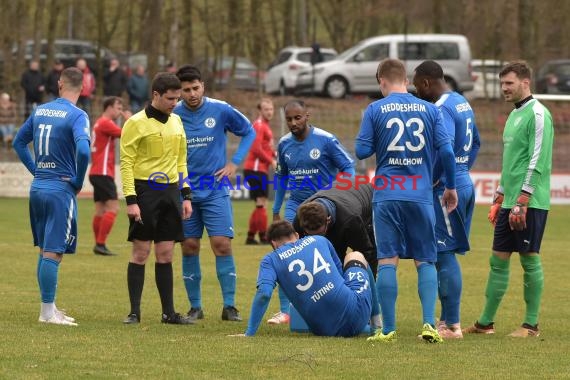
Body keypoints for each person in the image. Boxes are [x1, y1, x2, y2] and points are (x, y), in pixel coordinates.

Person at [356, 58, 458, 343]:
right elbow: (447, 153)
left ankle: (388, 330)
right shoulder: (429, 109)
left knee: (387, 259)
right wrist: (450, 187)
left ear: (382, 80)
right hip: (421, 194)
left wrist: (381, 138)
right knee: (426, 259)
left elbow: (362, 150)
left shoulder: (375, 109)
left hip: (388, 194)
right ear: (406, 80)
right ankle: (428, 325)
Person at [463, 61, 553, 338]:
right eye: (502, 84)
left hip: (530, 202)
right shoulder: (513, 115)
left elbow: (537, 161)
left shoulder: (538, 114)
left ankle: (531, 325)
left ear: (525, 83)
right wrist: (500, 196)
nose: (504, 88)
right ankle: (485, 323)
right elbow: (510, 162)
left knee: (529, 259)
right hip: (510, 201)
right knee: (497, 260)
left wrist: (523, 199)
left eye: (509, 83)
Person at [174, 65, 255, 322]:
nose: (191, 94)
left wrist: (235, 163)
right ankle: (195, 307)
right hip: (185, 191)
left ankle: (229, 306)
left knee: (221, 244)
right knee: (189, 246)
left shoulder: (220, 109)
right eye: (186, 90)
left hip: (215, 190)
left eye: (195, 88)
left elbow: (249, 131)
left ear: (203, 86)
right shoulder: (173, 115)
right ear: (180, 92)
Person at [13, 67, 91, 326]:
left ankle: (50, 307)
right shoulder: (78, 115)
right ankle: (46, 313)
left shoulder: (40, 110)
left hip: (38, 188)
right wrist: (78, 181)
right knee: (53, 252)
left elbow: (18, 143)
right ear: (83, 88)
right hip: (60, 189)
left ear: (59, 84)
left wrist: (36, 169)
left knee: (45, 249)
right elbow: (83, 151)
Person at [270, 99, 355, 325]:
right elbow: (281, 177)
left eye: (297, 117)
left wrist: (336, 192)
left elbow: (349, 168)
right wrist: (276, 209)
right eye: (289, 119)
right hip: (294, 204)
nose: (293, 122)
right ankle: (285, 311)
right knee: (285, 255)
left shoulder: (326, 140)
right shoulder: (284, 144)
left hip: (322, 206)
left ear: (307, 115)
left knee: (329, 255)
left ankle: (335, 303)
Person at [412, 60, 481, 339]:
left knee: (443, 253)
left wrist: (443, 180)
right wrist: (462, 171)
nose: (417, 93)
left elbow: (446, 151)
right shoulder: (461, 101)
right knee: (446, 252)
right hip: (464, 183)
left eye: (418, 87)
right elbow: (476, 142)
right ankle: (446, 319)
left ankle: (451, 325)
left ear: (427, 83)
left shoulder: (440, 109)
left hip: (448, 192)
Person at [120, 72, 193, 325]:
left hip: (171, 192)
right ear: (156, 95)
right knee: (141, 252)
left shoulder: (177, 122)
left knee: (166, 254)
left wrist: (185, 195)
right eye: (171, 98)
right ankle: (134, 312)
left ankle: (168, 313)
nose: (175, 103)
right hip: (145, 192)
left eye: (177, 98)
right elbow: (126, 163)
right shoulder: (135, 123)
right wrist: (131, 199)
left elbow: (181, 160)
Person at [239, 220, 372, 337]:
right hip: (358, 314)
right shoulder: (320, 240)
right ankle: (376, 323)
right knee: (355, 255)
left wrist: (249, 333)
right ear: (296, 235)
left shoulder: (271, 260)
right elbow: (340, 274)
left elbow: (264, 293)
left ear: (274, 244)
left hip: (325, 330)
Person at [293, 182, 382, 330]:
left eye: (320, 235)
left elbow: (368, 254)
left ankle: (368, 312)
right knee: (333, 256)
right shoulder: (299, 219)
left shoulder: (351, 220)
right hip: (341, 198)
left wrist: (366, 292)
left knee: (360, 257)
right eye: (310, 235)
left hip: (368, 202)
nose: (317, 241)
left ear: (328, 220)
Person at [89, 96, 131, 256]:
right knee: (113, 208)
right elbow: (126, 134)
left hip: (96, 171)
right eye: (118, 108)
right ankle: (100, 244)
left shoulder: (99, 122)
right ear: (109, 108)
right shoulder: (106, 123)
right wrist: (129, 120)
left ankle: (98, 244)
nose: (120, 112)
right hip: (103, 172)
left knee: (100, 210)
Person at [243, 97, 277, 245]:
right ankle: (263, 236)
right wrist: (271, 161)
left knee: (261, 203)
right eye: (266, 109)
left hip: (259, 169)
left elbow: (266, 148)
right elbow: (256, 149)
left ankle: (251, 237)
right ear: (260, 111)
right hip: (255, 169)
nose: (269, 112)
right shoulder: (259, 125)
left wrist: (274, 155)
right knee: (262, 203)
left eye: (271, 109)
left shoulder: (266, 126)